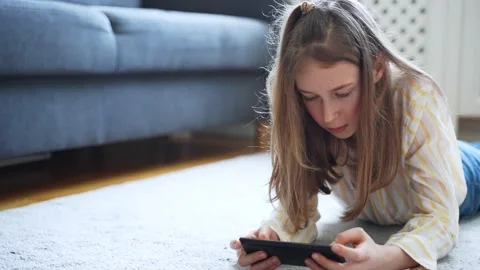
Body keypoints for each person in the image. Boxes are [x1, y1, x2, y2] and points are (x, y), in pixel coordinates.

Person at [229, 0, 480, 269]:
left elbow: (440, 218)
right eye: (310, 97)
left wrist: (389, 257)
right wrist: (274, 236)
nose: (328, 116)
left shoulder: (415, 96)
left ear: (377, 69)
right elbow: (296, 209)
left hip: (463, 168)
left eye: (343, 93)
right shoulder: (295, 106)